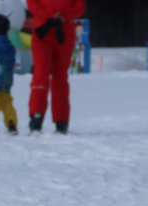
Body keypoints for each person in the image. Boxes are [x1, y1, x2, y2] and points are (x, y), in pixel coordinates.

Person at [27, 0, 85, 134]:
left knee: (60, 76)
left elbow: (80, 7)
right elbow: (32, 4)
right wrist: (52, 14)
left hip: (64, 33)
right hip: (43, 32)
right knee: (41, 74)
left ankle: (61, 121)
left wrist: (63, 15)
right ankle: (36, 116)